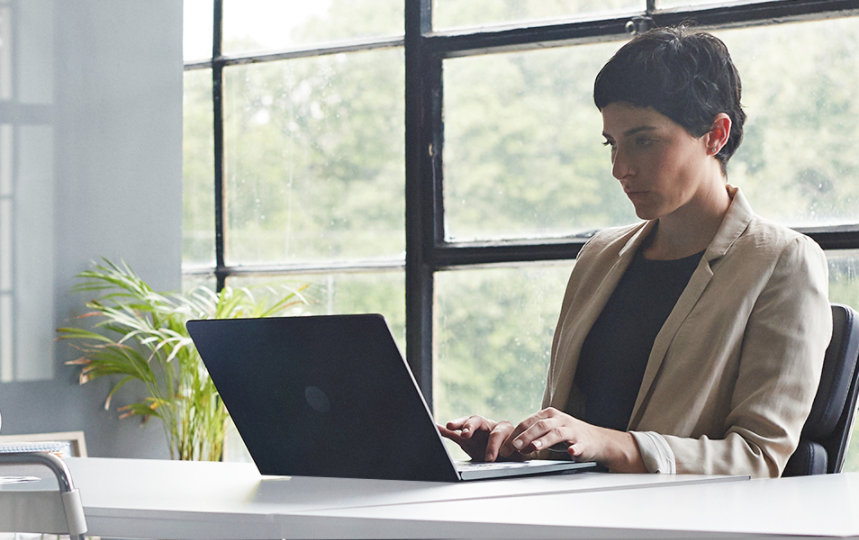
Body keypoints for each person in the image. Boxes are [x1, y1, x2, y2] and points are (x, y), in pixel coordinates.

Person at [439, 26, 832, 477]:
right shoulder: (599, 256)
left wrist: (610, 444)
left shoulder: (783, 261)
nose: (619, 168)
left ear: (715, 135)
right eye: (612, 143)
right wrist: (517, 444)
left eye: (643, 140)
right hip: (575, 516)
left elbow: (759, 459)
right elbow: (579, 436)